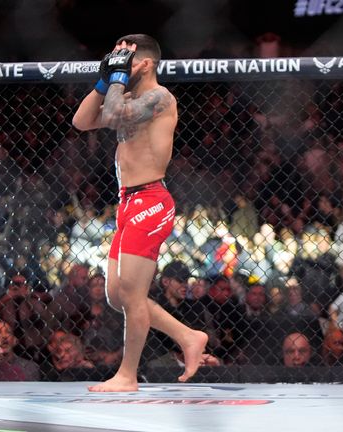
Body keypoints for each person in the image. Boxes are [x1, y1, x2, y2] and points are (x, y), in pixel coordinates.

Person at [72, 34, 207, 392]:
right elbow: (82, 121)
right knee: (116, 295)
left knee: (131, 294)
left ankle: (127, 375)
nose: (120, 65)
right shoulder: (127, 96)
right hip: (128, 203)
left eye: (125, 59)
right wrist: (105, 80)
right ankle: (188, 336)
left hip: (150, 200)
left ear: (145, 64)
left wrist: (115, 81)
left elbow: (115, 114)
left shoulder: (160, 98)